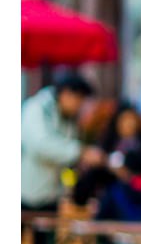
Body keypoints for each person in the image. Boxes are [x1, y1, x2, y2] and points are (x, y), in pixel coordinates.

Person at [21, 71, 95, 213]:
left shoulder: (67, 117)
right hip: (25, 192)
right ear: (66, 94)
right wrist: (80, 152)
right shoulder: (37, 108)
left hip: (50, 195)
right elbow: (40, 146)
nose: (79, 107)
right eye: (78, 101)